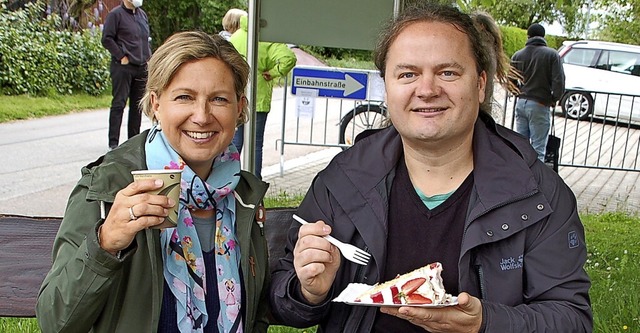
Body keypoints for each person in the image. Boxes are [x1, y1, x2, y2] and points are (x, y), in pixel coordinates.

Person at [269, 3, 592, 333]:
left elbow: (572, 319)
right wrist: (308, 292)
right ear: (387, 86)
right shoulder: (342, 179)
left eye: (448, 73)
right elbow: (285, 304)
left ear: (480, 85)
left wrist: (485, 322)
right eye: (407, 74)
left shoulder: (537, 192)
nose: (426, 90)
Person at [36, 31, 271, 333]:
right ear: (156, 103)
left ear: (239, 108)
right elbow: (55, 323)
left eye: (218, 99)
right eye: (184, 97)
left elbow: (256, 313)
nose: (201, 116)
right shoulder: (108, 185)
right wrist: (105, 243)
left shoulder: (245, 195)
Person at [229, 15, 296, 179]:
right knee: (255, 144)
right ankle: (253, 185)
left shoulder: (235, 37)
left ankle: (228, 181)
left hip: (234, 96)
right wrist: (273, 73)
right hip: (258, 99)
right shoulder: (268, 39)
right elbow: (289, 58)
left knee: (234, 143)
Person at [101, 0, 152, 150]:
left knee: (137, 106)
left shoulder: (142, 15)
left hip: (141, 66)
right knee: (119, 103)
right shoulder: (115, 15)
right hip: (123, 67)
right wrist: (121, 56)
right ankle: (113, 142)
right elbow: (107, 39)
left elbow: (145, 40)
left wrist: (148, 58)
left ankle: (133, 140)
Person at [511, 23, 565, 162]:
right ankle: (537, 182)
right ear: (543, 36)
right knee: (538, 149)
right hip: (540, 103)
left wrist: (518, 92)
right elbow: (558, 81)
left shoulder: (518, 55)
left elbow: (510, 79)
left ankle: (519, 179)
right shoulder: (552, 55)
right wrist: (554, 99)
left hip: (521, 103)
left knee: (520, 147)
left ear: (528, 36)